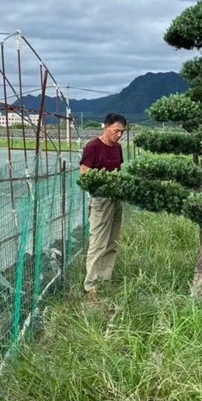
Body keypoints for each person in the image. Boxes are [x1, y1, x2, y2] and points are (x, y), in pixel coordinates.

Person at [79, 113, 127, 296]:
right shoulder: (93, 147)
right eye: (116, 131)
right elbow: (84, 174)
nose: (119, 135)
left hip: (116, 199)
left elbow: (118, 171)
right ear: (105, 127)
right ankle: (91, 285)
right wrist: (102, 186)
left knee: (112, 242)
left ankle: (105, 279)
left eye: (122, 131)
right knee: (98, 243)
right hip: (100, 200)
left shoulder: (117, 148)